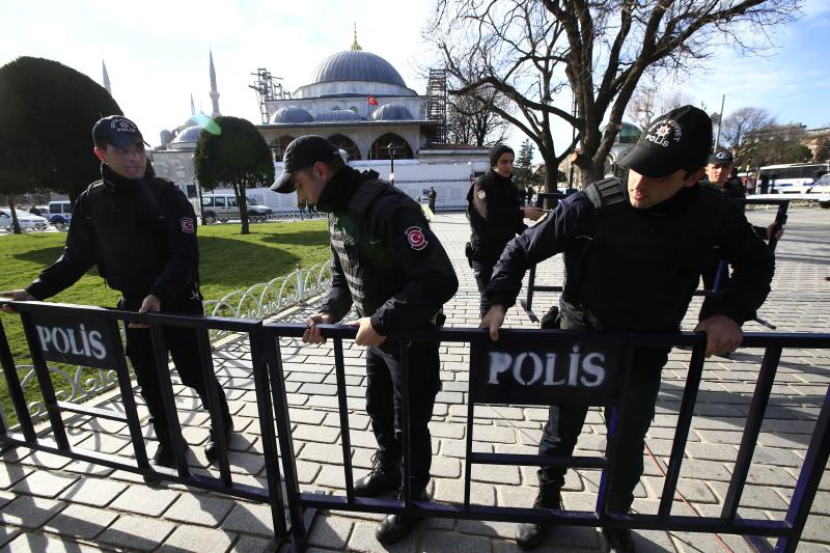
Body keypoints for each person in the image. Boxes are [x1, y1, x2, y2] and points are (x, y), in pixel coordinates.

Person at [479, 106, 775, 552]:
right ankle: (547, 500)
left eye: (658, 175)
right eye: (636, 167)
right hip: (580, 342)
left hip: (645, 347)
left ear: (693, 177)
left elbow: (757, 262)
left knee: (629, 438)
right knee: (562, 430)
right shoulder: (592, 204)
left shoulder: (714, 213)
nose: (639, 182)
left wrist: (729, 312)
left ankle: (616, 512)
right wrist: (497, 301)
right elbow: (520, 249)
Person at [0, 115, 233, 484]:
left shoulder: (168, 196)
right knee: (149, 378)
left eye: (138, 148)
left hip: (178, 303)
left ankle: (222, 425)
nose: (134, 157)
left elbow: (185, 256)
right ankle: (169, 440)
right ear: (101, 154)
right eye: (122, 151)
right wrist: (35, 290)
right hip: (133, 306)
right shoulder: (91, 202)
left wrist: (159, 294)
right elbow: (75, 258)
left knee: (195, 371)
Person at [271, 136, 458, 545]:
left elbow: (440, 279)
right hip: (376, 335)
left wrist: (382, 319)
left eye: (299, 184)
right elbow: (343, 276)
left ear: (321, 171)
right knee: (379, 408)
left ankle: (413, 499)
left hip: (410, 338)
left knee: (410, 422)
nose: (300, 196)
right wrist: (328, 312)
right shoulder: (337, 211)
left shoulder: (389, 208)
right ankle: (389, 470)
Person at [466, 144, 544, 317]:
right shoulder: (481, 185)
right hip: (484, 253)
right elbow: (489, 213)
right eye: (504, 162)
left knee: (499, 301)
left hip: (506, 254)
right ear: (494, 163)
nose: (509, 166)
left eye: (511, 162)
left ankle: (492, 332)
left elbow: (516, 224)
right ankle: (485, 334)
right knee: (487, 299)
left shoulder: (511, 188)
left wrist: (538, 232)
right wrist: (523, 212)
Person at [701, 150, 782, 292]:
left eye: (725, 167)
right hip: (695, 249)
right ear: (707, 169)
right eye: (716, 167)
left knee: (718, 294)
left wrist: (766, 233)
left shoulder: (734, 193)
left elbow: (739, 225)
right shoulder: (697, 190)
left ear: (730, 170)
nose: (720, 171)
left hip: (719, 253)